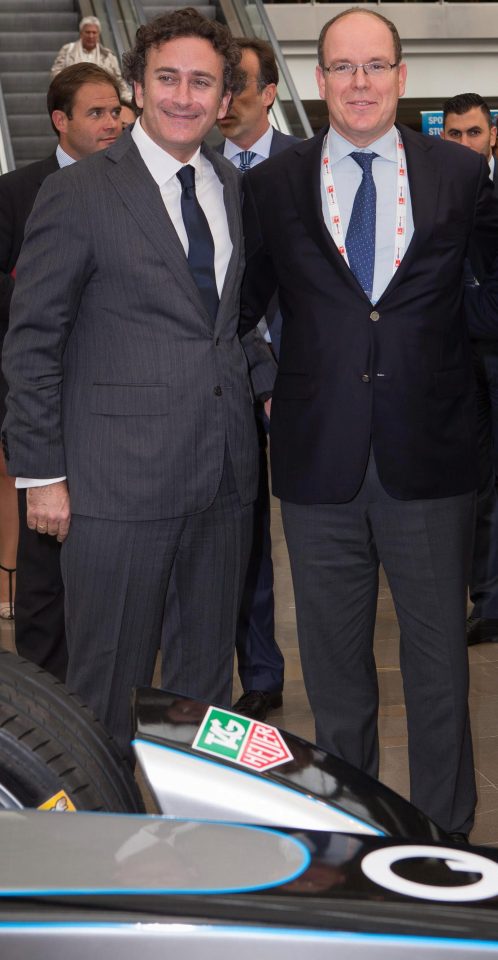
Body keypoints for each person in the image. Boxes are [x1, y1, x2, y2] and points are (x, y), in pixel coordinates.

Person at [239, 7, 498, 840]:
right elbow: (238, 312)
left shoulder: (460, 177)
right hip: (318, 465)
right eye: (343, 68)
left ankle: (446, 846)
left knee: (436, 673)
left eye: (375, 66)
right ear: (319, 81)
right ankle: (352, 841)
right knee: (336, 676)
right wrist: (268, 382)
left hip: (432, 458)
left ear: (400, 76)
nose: (360, 83)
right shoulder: (272, 186)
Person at [2, 9, 274, 755]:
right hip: (115, 489)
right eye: (168, 79)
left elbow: (226, 325)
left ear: (226, 100)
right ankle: (102, 854)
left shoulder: (227, 185)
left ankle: (185, 847)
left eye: (202, 83)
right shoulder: (82, 191)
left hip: (222, 482)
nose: (184, 97)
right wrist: (42, 474)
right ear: (137, 89)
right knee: (106, 690)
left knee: (201, 694)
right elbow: (32, 343)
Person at [0, 63, 123, 678]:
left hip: (119, 409)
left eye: (117, 110)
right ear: (60, 120)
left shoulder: (137, 186)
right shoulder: (18, 191)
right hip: (47, 404)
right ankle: (45, 699)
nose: (113, 122)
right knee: (46, 563)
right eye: (97, 112)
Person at [215, 37, 299, 721]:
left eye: (237, 81)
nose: (226, 95)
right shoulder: (199, 172)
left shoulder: (309, 168)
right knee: (242, 533)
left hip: (313, 380)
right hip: (229, 378)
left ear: (269, 93)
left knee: (319, 529)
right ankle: (260, 672)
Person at [441, 93, 498, 648]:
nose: (464, 144)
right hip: (458, 365)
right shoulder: (436, 197)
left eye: (473, 133)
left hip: (490, 351)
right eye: (454, 135)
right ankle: (489, 598)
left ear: (491, 136)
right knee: (478, 485)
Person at [50, 15, 130, 103]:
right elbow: (56, 74)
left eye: (94, 32)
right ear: (81, 33)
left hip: (100, 101)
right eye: (87, 32)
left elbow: (118, 81)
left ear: (98, 34)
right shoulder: (67, 51)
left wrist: (128, 100)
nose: (91, 36)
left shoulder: (108, 56)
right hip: (72, 100)